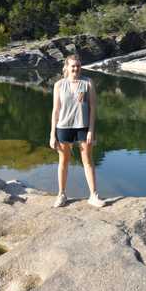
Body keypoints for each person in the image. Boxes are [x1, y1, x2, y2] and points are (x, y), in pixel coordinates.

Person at [49, 54, 105, 208]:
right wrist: (52, 134)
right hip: (63, 127)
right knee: (63, 161)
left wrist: (91, 131)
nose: (76, 68)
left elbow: (93, 108)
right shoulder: (59, 85)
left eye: (78, 66)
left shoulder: (88, 83)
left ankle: (93, 195)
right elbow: (56, 110)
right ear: (66, 67)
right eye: (73, 66)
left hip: (83, 126)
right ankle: (61, 194)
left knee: (87, 161)